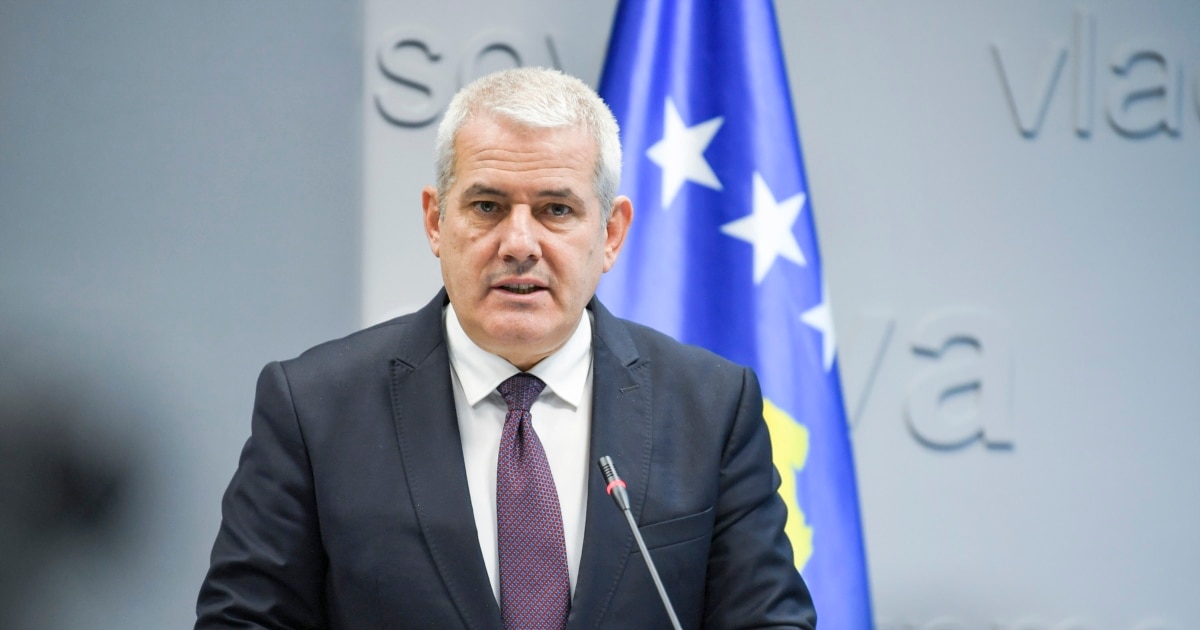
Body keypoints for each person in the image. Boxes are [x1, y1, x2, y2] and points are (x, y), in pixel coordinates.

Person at [196, 67, 816, 629]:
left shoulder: (712, 407)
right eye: (488, 206)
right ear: (436, 221)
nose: (519, 243)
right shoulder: (314, 407)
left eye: (556, 209)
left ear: (611, 233)